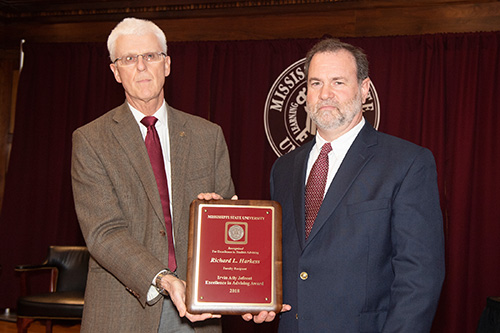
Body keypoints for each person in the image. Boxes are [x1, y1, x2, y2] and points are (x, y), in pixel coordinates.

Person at [244, 38, 445, 331]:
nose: (325, 94)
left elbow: (419, 278)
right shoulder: (284, 169)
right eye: (315, 83)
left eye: (338, 82)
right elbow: (288, 261)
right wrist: (261, 299)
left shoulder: (407, 163)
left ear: (364, 90)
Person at [71, 17, 234, 332]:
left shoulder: (208, 135)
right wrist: (164, 279)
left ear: (167, 64)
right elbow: (103, 234)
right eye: (129, 59)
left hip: (198, 311)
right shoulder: (91, 140)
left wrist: (220, 213)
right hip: (123, 307)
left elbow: (227, 226)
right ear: (116, 72)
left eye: (150, 56)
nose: (142, 66)